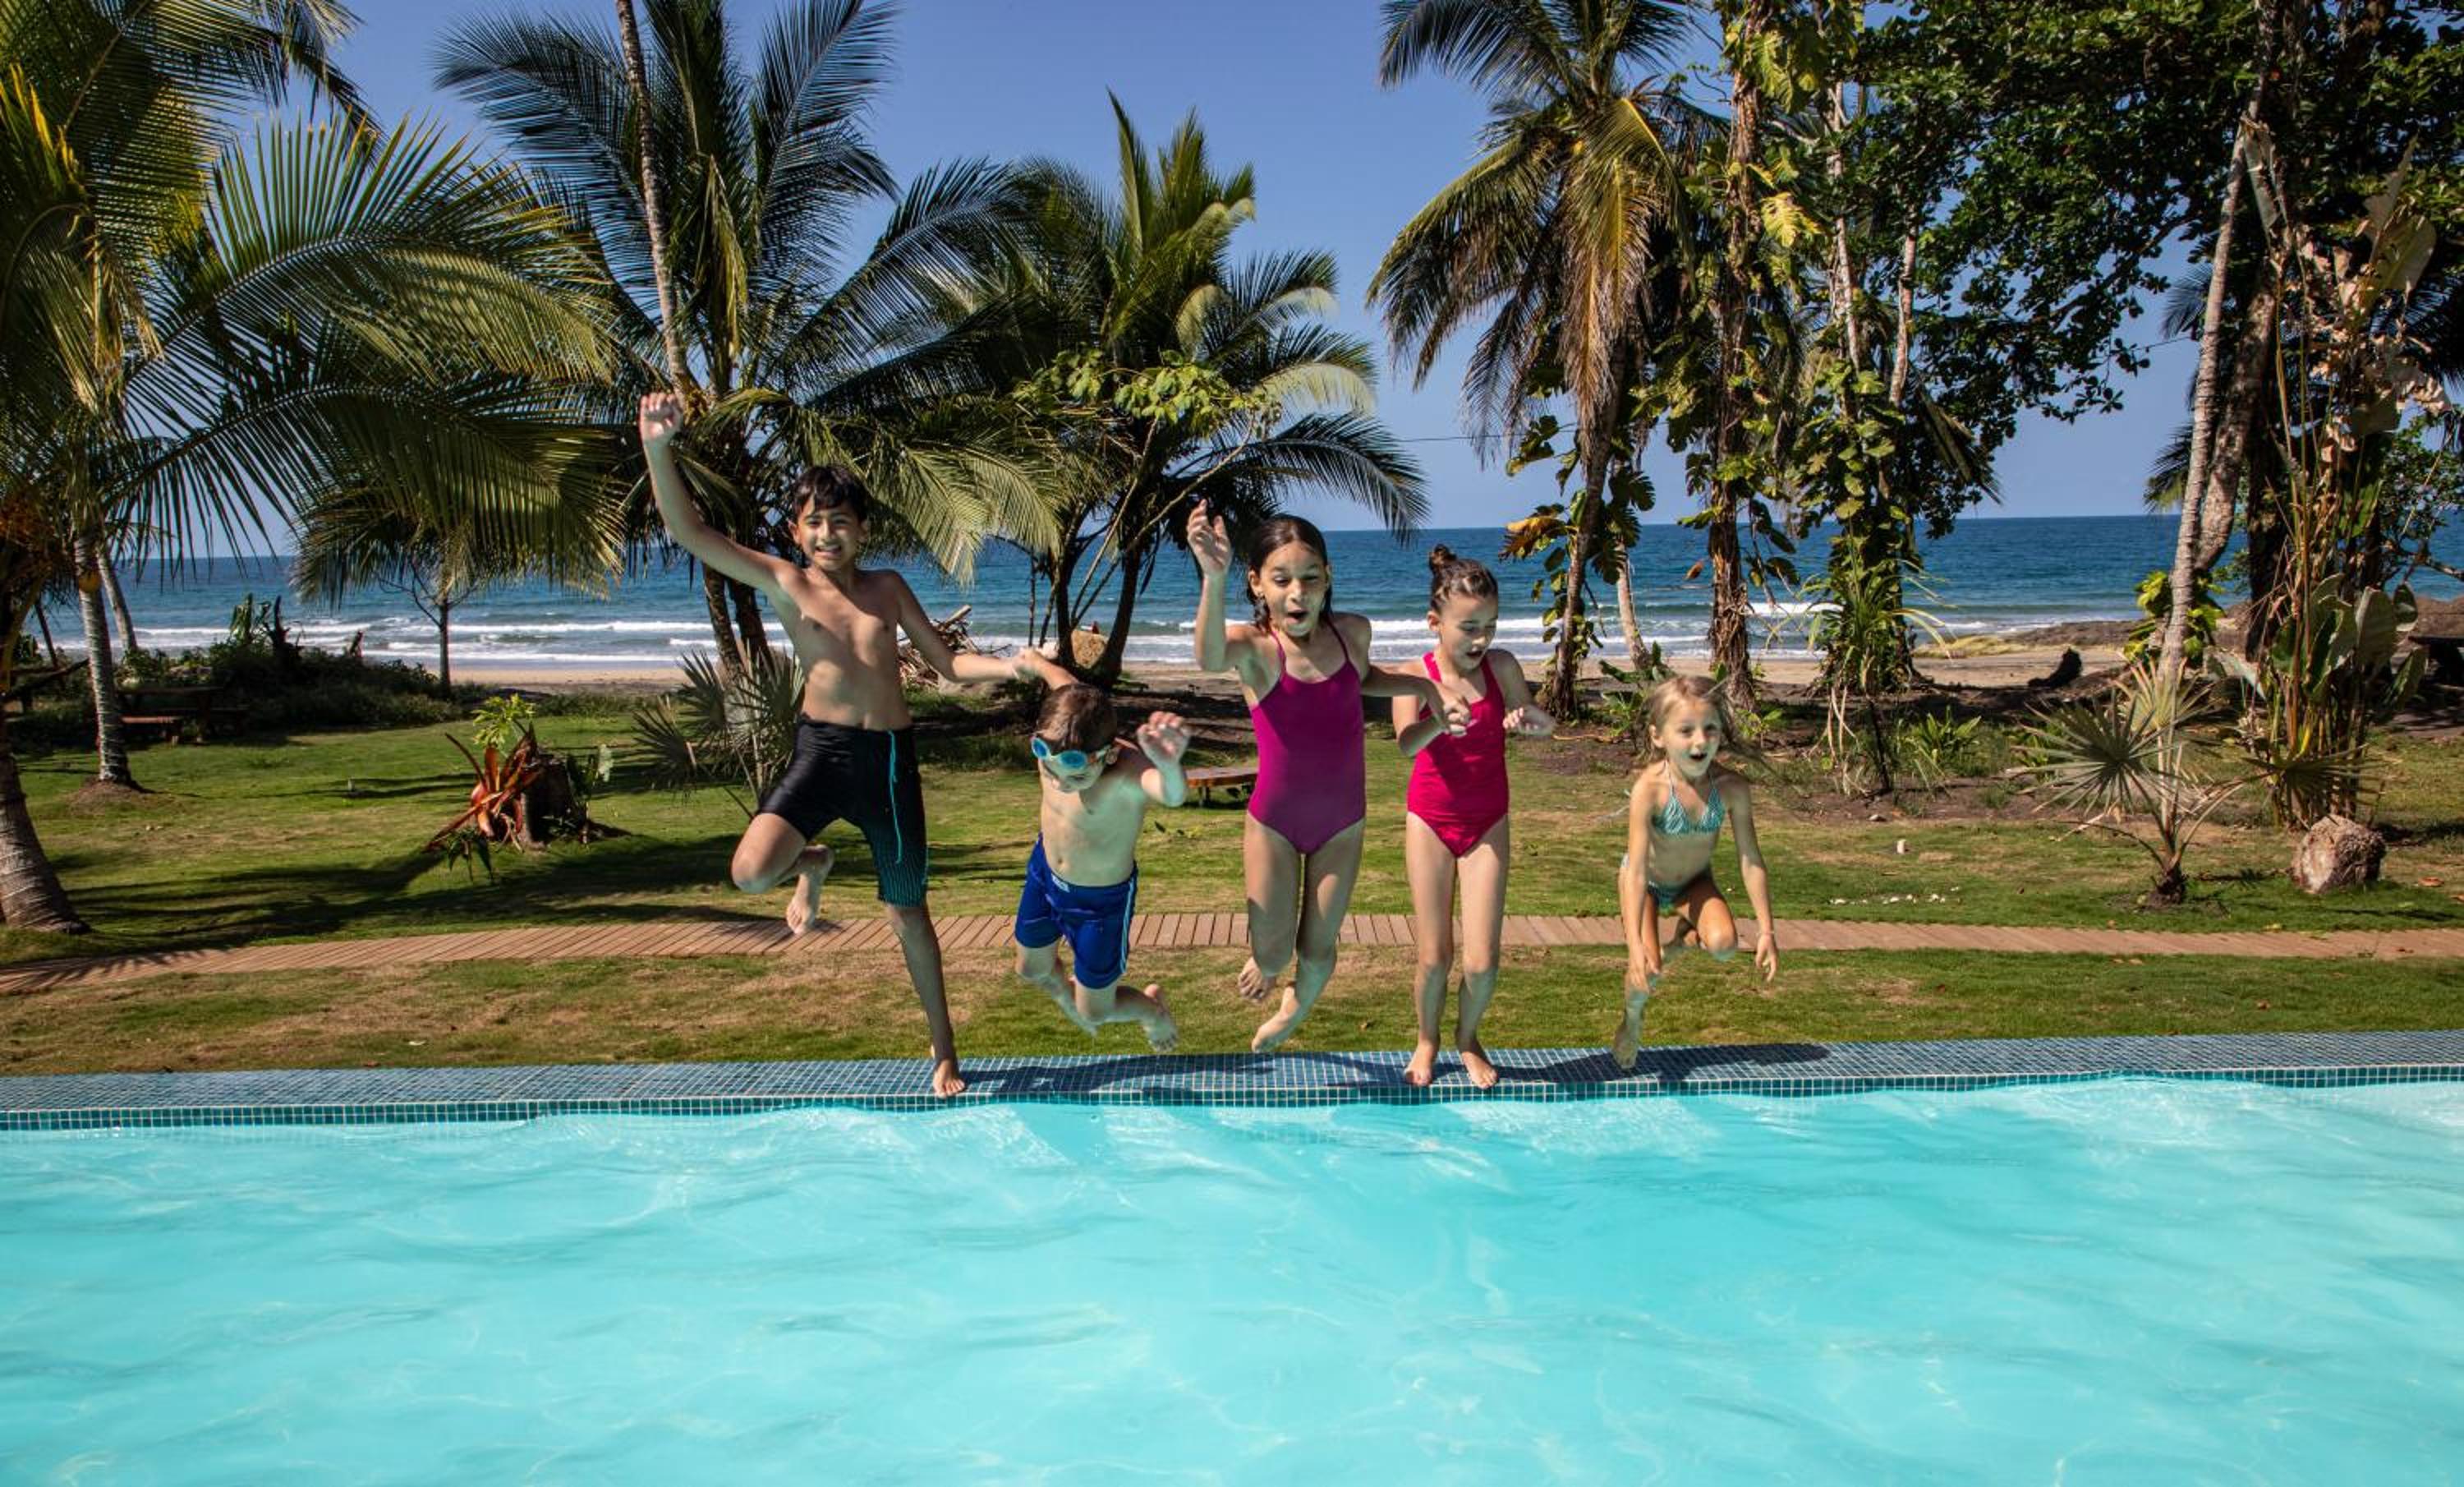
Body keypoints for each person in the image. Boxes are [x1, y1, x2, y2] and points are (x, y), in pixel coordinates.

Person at [638, 391, 1071, 1097]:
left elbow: (948, 664)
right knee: (750, 873)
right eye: (814, 523)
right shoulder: (786, 584)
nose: (828, 534)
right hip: (820, 755)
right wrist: (659, 449)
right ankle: (812, 862)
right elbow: (690, 531)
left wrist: (1014, 665)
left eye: (840, 521)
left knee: (908, 914)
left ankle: (944, 1049)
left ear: (863, 529)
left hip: (888, 764)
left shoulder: (887, 589)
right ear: (796, 532)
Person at [1187, 501, 1468, 1052]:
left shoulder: (1351, 634)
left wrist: (1424, 687)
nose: (1298, 593)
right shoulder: (1256, 648)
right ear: (1257, 583)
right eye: (1282, 580)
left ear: (1328, 578)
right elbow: (1208, 656)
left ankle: (1293, 1011)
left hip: (1342, 823)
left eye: (1310, 578)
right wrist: (1213, 578)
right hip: (1274, 822)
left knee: (1317, 952)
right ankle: (1268, 962)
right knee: (1272, 953)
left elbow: (1362, 678)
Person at [1392, 547, 1553, 1088]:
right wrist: (1437, 719)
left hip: (1487, 822)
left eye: (1490, 625)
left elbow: (1540, 720)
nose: (1481, 638)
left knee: (1482, 962)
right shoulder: (1413, 675)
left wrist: (1532, 721)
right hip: (1430, 822)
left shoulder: (1501, 667)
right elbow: (1405, 744)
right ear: (1435, 622)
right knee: (1434, 957)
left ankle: (1467, 1037)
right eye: (1468, 627)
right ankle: (1426, 1039)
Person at [1014, 685, 1192, 1051]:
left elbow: (1172, 795)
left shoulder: (1125, 775)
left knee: (1095, 1012)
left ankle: (1153, 1012)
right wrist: (1033, 662)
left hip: (1100, 905)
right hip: (1045, 877)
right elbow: (1063, 682)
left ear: (1107, 756)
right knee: (1030, 969)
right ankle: (1067, 995)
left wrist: (1168, 765)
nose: (1061, 784)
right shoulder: (1058, 736)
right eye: (1051, 772)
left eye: (1077, 778)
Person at [1616, 675, 1779, 1070]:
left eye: (1710, 729)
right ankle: (1631, 1021)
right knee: (1645, 975)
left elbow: (1750, 859)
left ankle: (1681, 940)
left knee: (1724, 945)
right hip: (1646, 884)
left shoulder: (1731, 788)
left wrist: (1767, 931)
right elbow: (1635, 871)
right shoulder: (1650, 789)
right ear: (1658, 736)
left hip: (1694, 883)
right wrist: (1634, 948)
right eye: (1686, 731)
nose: (1700, 741)